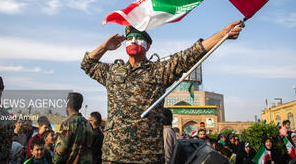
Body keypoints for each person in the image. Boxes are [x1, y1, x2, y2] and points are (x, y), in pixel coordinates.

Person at [81, 21, 243, 163]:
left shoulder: (159, 70)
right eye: (129, 39)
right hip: (113, 155)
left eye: (139, 38)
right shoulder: (113, 72)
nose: (133, 41)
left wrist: (223, 33)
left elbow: (191, 55)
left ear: (148, 45)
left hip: (146, 156)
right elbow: (87, 64)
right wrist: (104, 47)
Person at [53, 92, 93, 164]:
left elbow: (60, 150)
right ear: (80, 106)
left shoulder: (67, 123)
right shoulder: (88, 124)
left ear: (68, 105)